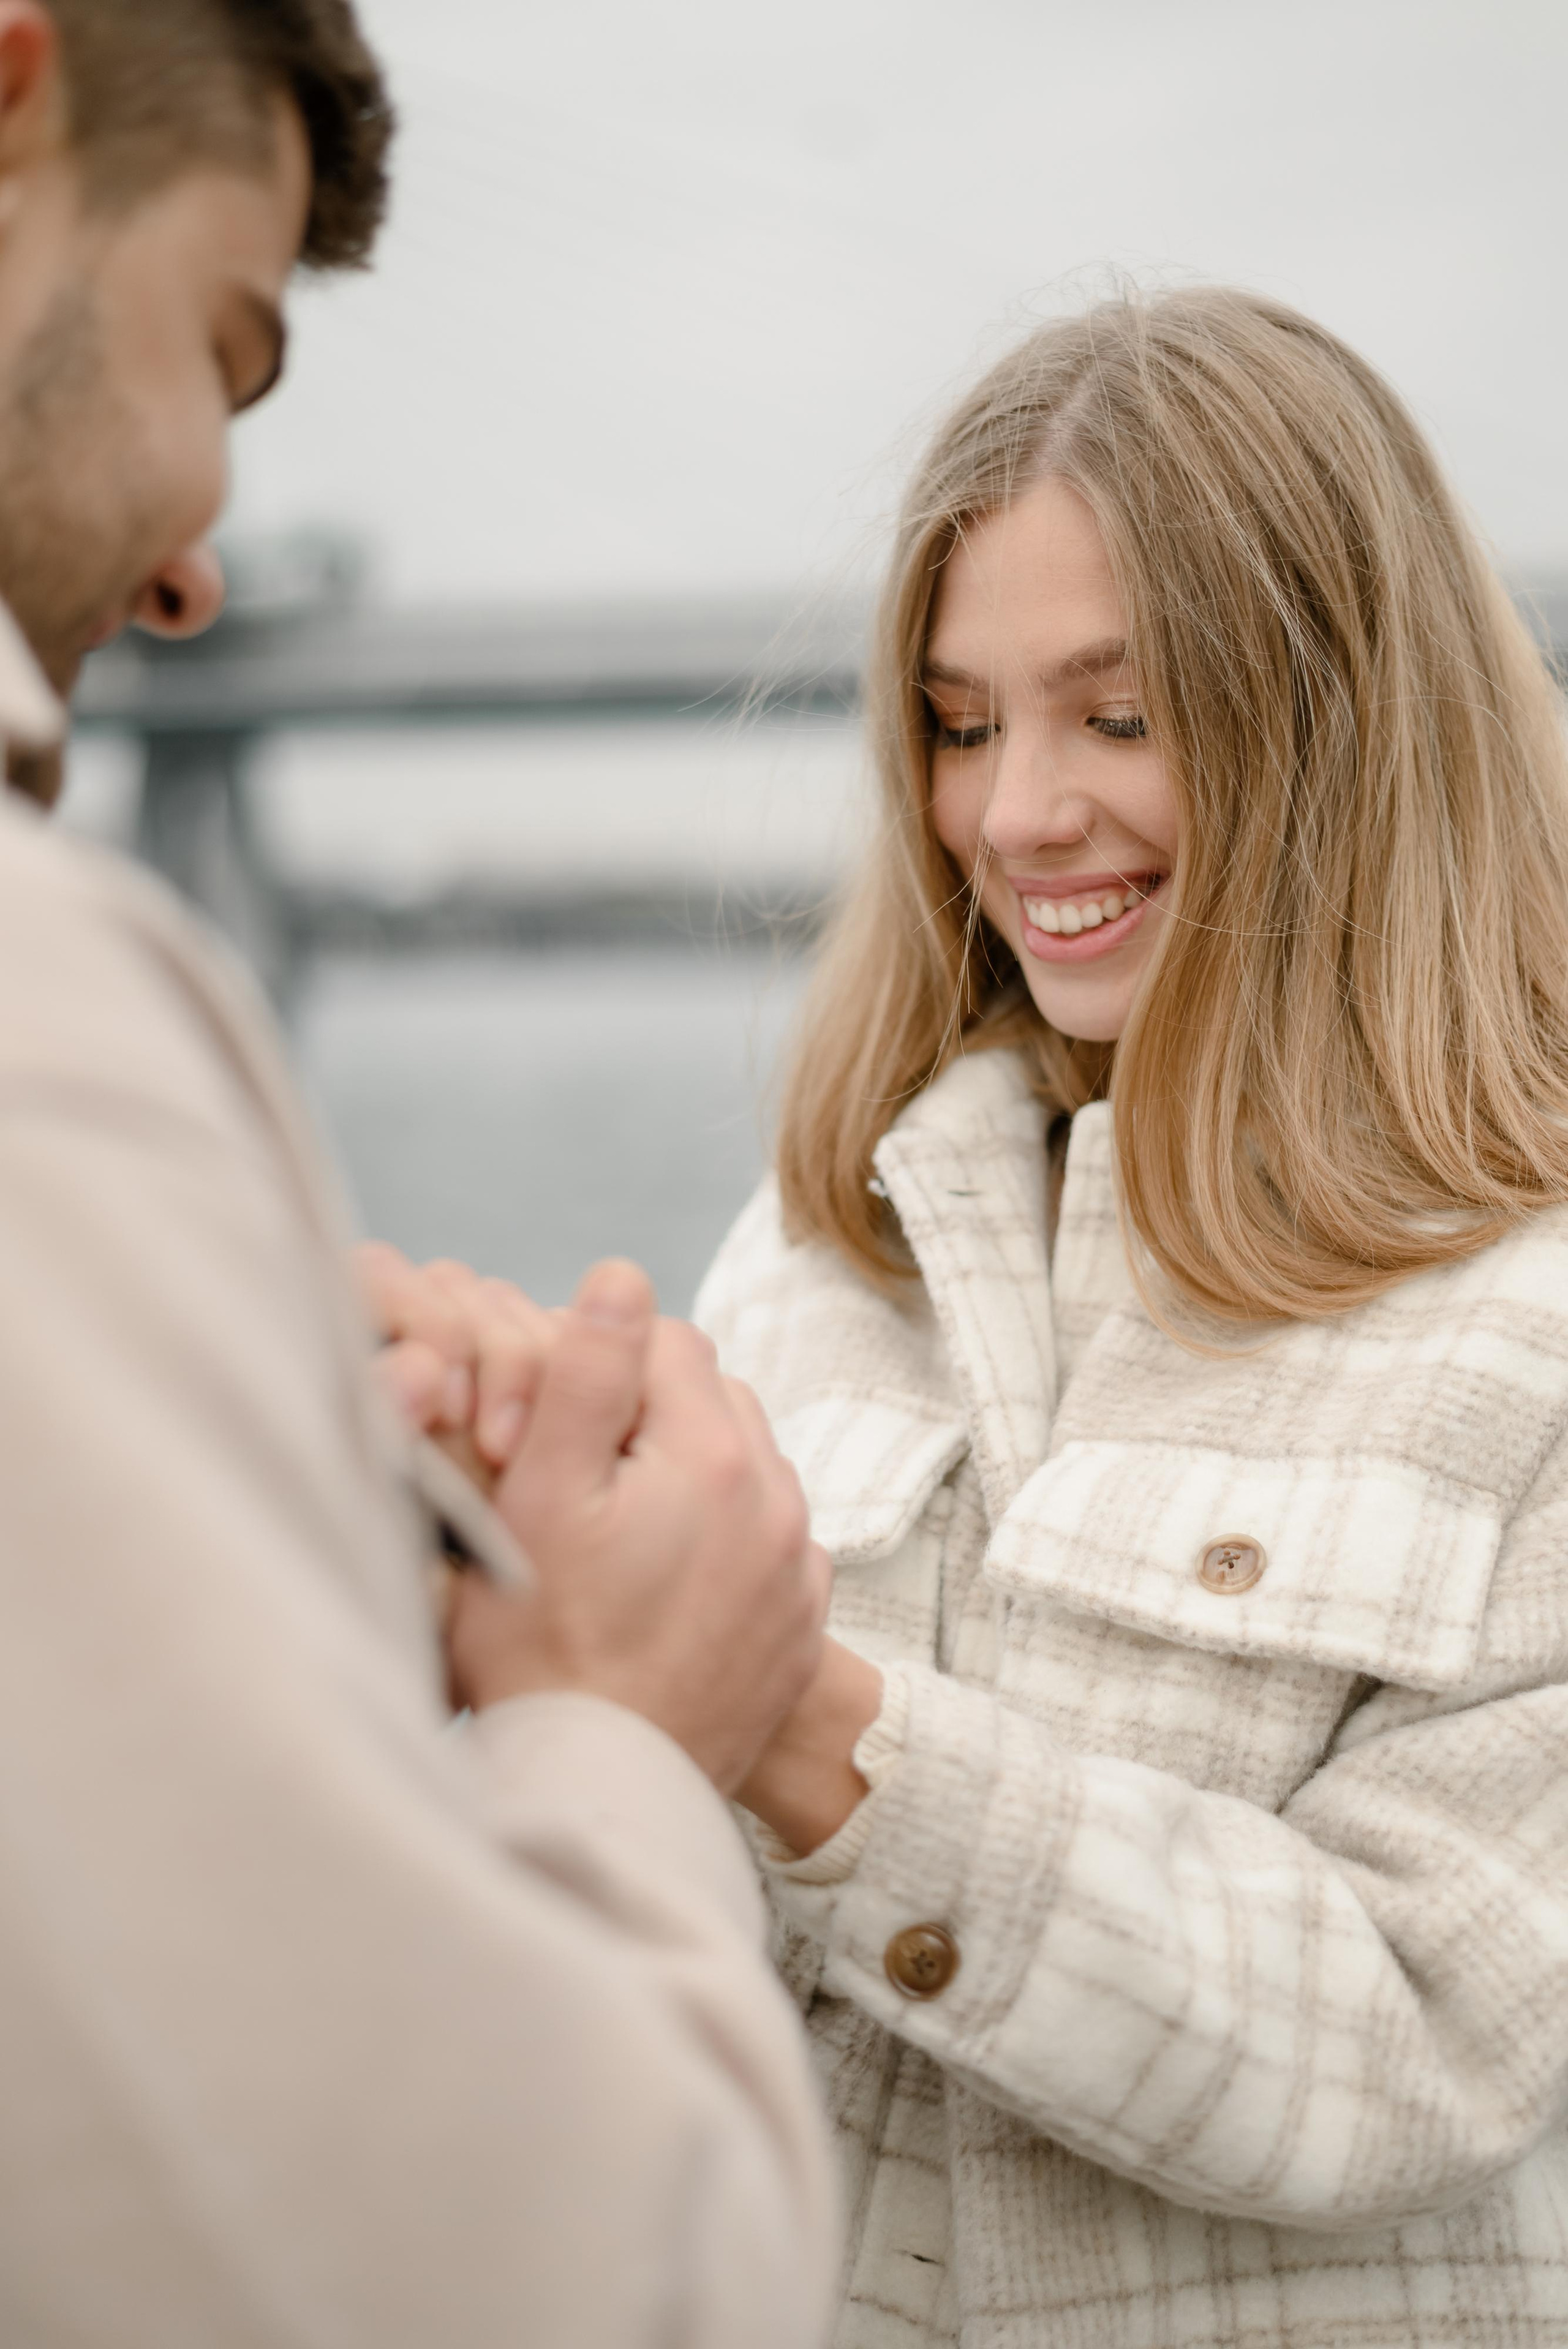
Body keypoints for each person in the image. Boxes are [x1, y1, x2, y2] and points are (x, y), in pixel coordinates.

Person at [0, 4, 839, 2343]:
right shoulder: (48, 1030)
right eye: (222, 348)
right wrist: (613, 1718)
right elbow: (533, 2283)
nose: (193, 580)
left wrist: (262, 1500)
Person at [682, 288, 1568, 2344]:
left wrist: (800, 1724)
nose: (1016, 816)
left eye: (1123, 710)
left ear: (1344, 717)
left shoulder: (1536, 1311)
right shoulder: (828, 1238)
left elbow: (1415, 2034)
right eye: (964, 721)